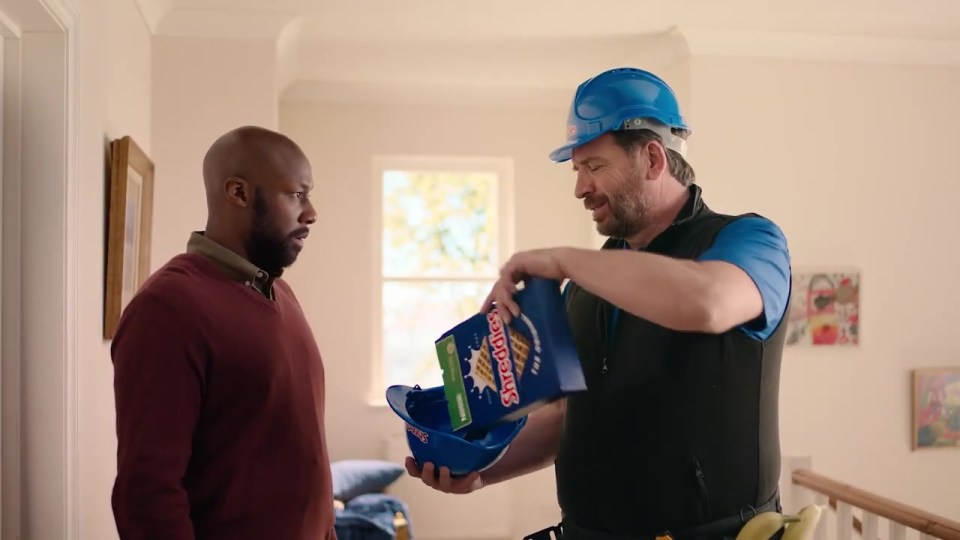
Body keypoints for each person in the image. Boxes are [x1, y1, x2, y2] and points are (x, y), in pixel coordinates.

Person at [405, 67, 792, 539]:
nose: (580, 188)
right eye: (577, 170)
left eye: (594, 166)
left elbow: (709, 301)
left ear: (652, 158)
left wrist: (562, 260)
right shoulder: (586, 283)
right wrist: (482, 469)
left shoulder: (750, 240)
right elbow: (567, 418)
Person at [111, 125, 336, 540]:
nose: (311, 213)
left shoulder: (282, 295)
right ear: (238, 193)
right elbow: (147, 494)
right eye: (296, 194)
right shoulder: (168, 308)